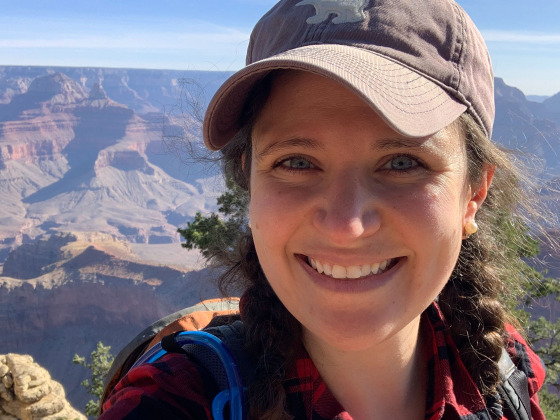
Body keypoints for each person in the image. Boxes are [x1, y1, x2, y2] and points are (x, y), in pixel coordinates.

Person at [100, 0, 547, 418]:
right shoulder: (175, 401)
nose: (346, 225)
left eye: (402, 163)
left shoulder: (503, 370)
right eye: (295, 162)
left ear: (474, 194)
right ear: (249, 180)